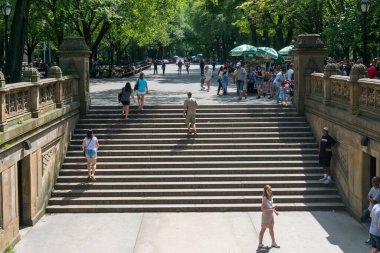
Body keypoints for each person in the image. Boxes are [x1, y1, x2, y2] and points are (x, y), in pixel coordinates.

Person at [258, 185, 280, 250]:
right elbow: (262, 208)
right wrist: (271, 209)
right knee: (263, 230)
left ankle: (273, 242)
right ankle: (260, 244)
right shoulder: (264, 197)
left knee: (271, 229)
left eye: (270, 189)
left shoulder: (271, 196)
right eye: (268, 190)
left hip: (270, 216)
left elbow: (270, 206)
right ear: (265, 191)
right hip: (266, 216)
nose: (270, 191)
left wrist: (275, 211)